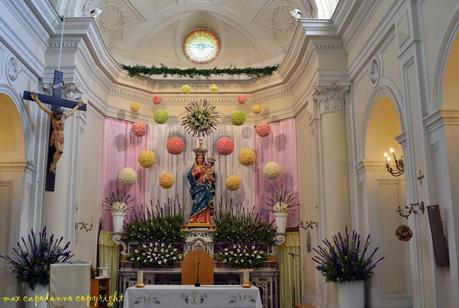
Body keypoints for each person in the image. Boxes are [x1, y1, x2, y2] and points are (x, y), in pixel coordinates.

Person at [30, 92, 85, 173]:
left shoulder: (64, 115)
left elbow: (72, 112)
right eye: (57, 115)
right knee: (60, 151)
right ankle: (52, 165)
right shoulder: (52, 115)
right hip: (56, 136)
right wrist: (37, 99)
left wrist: (77, 106)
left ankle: (53, 165)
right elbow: (43, 107)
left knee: (60, 152)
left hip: (62, 137)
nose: (58, 117)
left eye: (59, 115)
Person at [187, 150, 216, 224]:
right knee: (197, 202)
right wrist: (196, 173)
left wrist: (209, 178)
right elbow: (189, 176)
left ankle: (205, 219)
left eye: (202, 158)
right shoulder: (194, 167)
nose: (200, 159)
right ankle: (194, 219)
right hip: (197, 187)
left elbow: (212, 176)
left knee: (206, 203)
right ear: (196, 159)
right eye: (199, 158)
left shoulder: (206, 167)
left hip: (205, 187)